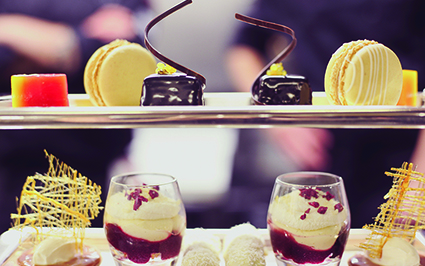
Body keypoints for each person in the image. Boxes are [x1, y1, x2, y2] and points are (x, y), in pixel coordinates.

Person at [226, 0, 423, 228]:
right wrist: (279, 123)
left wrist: (419, 182)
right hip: (325, 157)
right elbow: (243, 48)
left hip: (405, 158)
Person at [0, 0, 151, 233]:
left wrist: (12, 30)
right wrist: (69, 39)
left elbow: (114, 56)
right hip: (10, 169)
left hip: (89, 172)